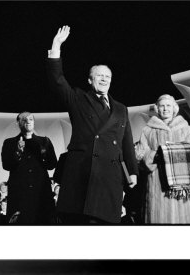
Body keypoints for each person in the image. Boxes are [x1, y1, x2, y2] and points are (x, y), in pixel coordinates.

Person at [45, 25, 138, 224]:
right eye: (99, 76)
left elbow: (126, 142)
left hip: (110, 176)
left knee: (106, 225)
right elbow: (57, 80)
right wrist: (56, 46)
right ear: (89, 80)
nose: (104, 79)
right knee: (80, 224)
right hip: (83, 173)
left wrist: (132, 171)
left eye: (108, 76)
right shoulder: (78, 98)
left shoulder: (121, 108)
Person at [135, 94, 190, 224]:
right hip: (158, 183)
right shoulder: (148, 130)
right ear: (157, 109)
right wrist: (156, 155)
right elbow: (140, 155)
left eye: (168, 106)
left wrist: (174, 152)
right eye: (162, 106)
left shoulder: (185, 128)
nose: (165, 109)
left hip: (184, 185)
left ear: (174, 108)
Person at [1, 112, 58, 225]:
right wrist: (17, 153)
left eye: (31, 119)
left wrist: (44, 154)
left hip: (41, 193)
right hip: (19, 195)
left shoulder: (44, 141)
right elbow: (6, 166)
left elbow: (52, 164)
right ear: (18, 123)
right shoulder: (9, 142)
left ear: (34, 122)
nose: (28, 121)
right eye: (24, 119)